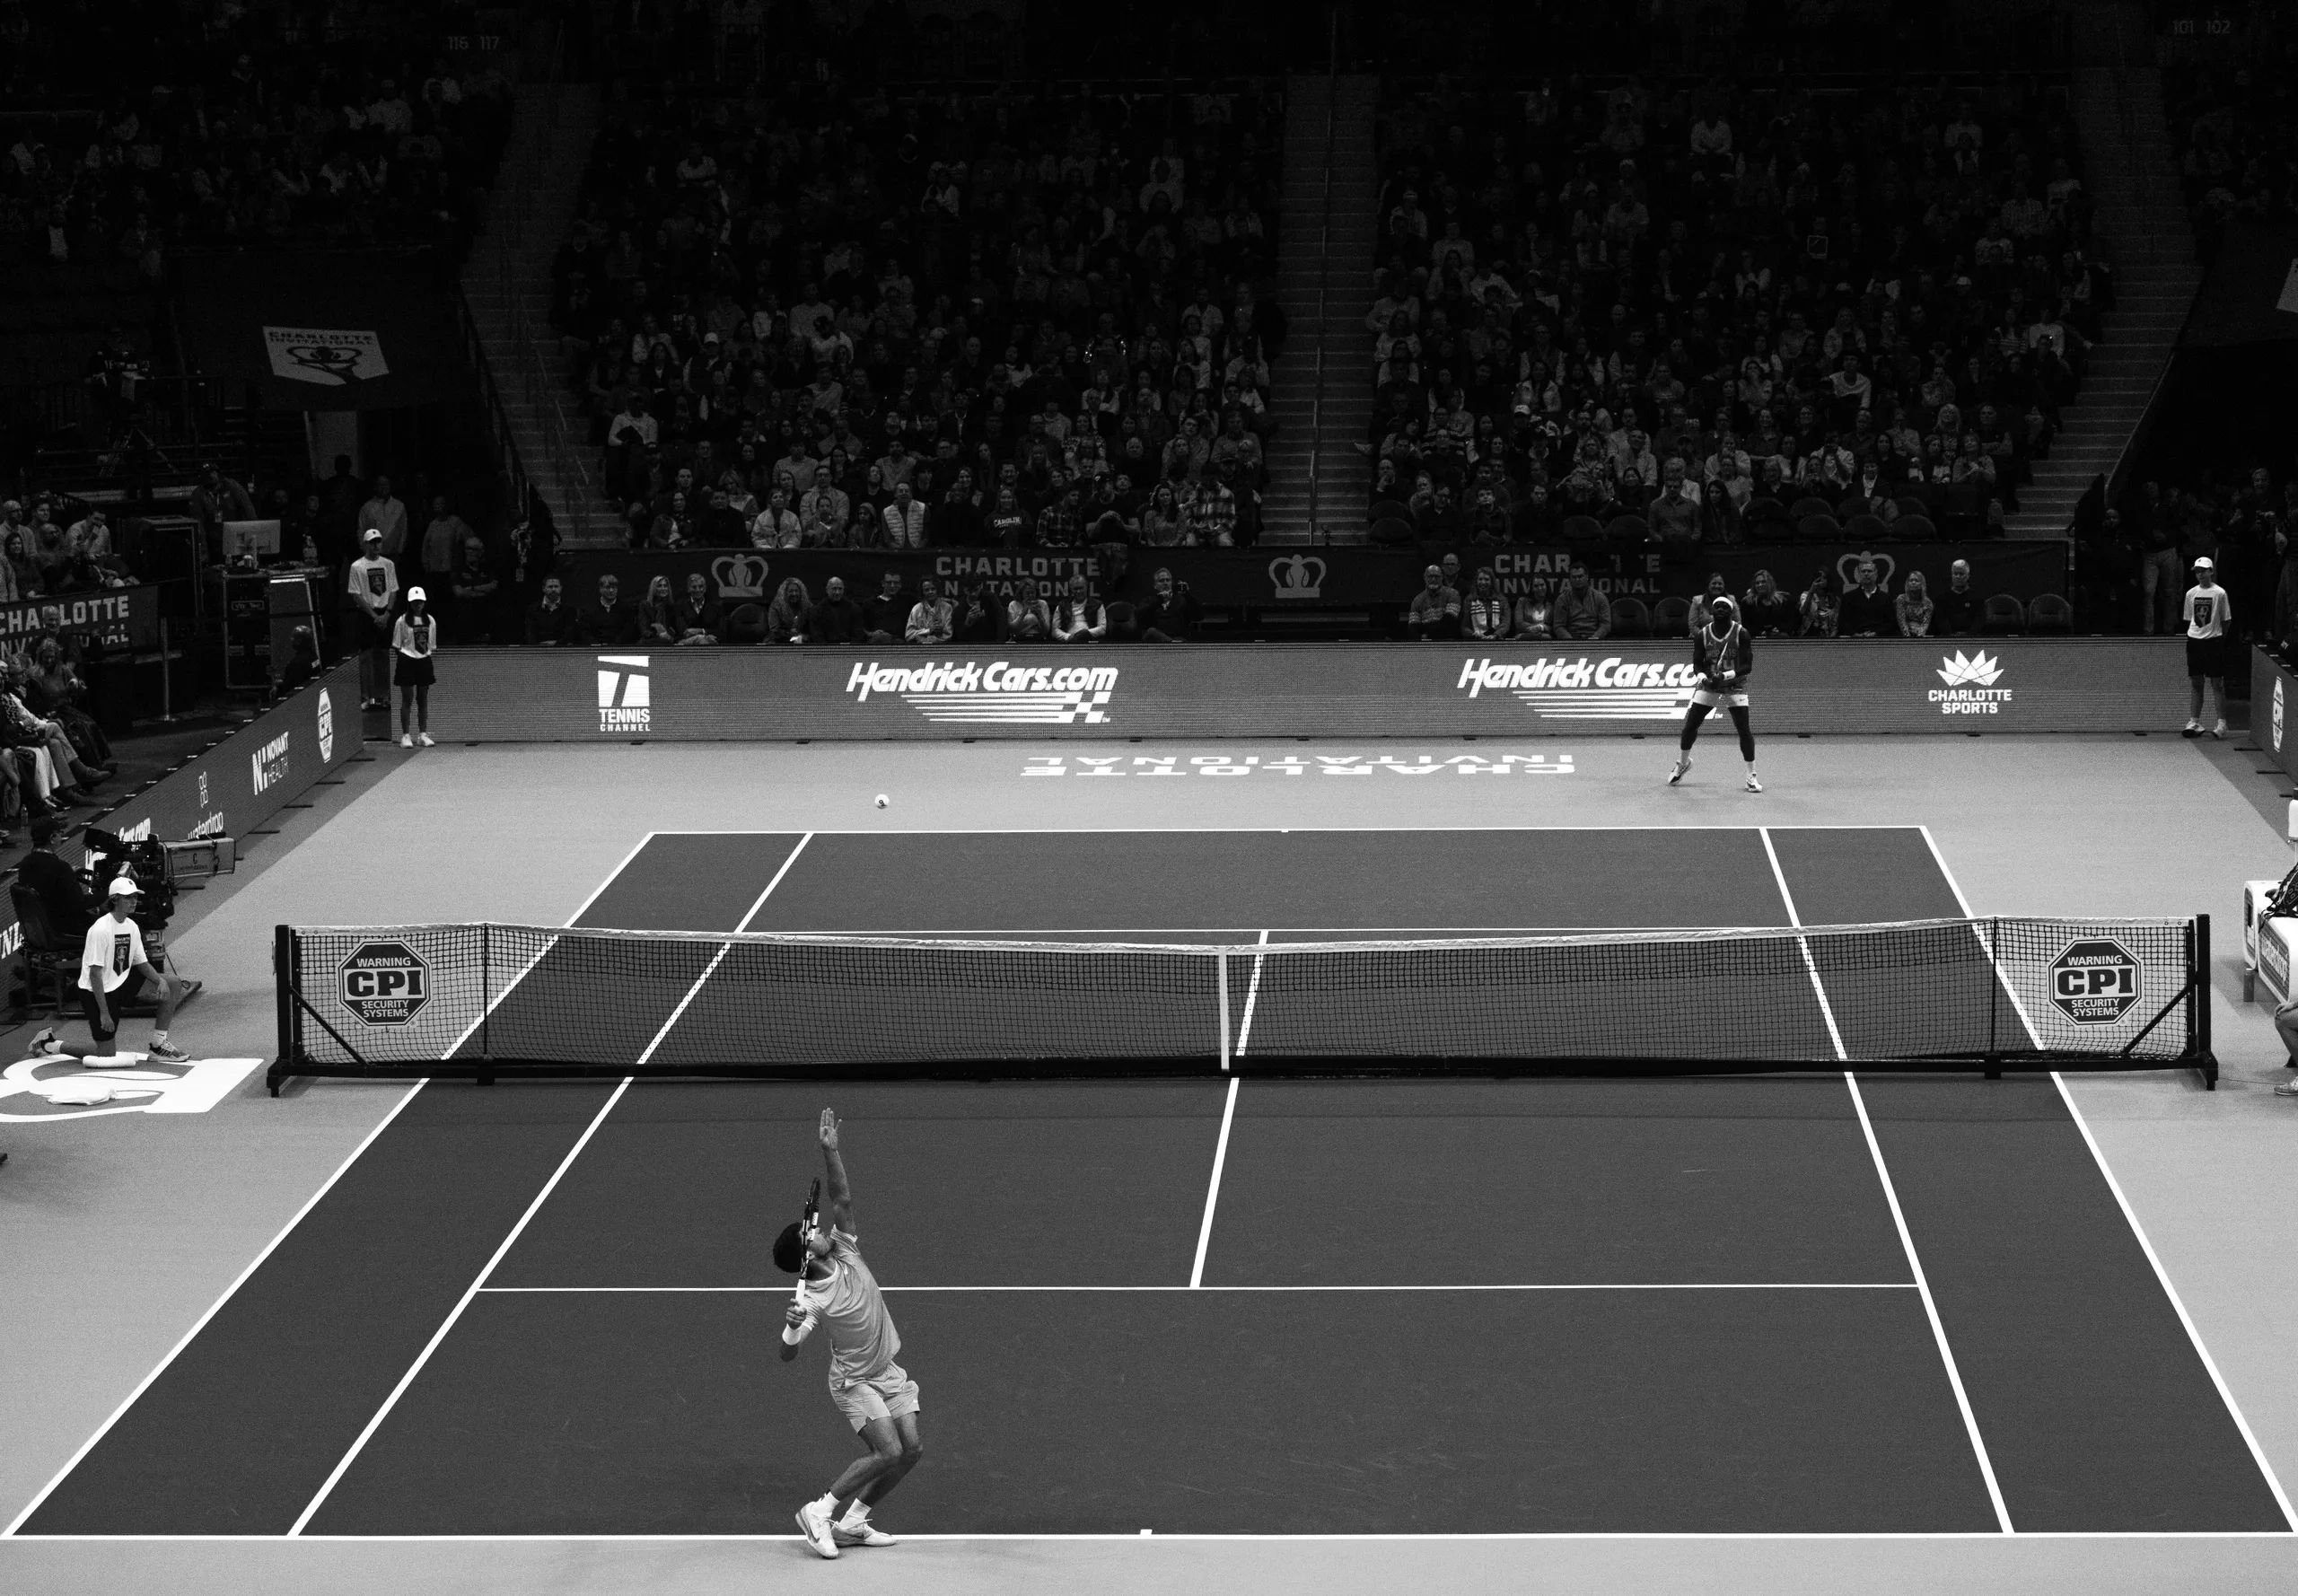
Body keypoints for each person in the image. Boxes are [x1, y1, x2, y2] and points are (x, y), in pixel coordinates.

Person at [781, 1110, 917, 1558]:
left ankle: (853, 1522)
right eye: (810, 1232)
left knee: (910, 1451)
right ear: (805, 1255)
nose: (818, 1229)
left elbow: (842, 1199)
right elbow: (788, 1354)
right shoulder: (813, 1300)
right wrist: (790, 1326)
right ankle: (818, 1512)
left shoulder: (844, 1247)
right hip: (854, 1380)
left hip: (886, 1369)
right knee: (887, 1451)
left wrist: (831, 1150)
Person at [27, 876, 189, 1063]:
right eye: (128, 898)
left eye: (135, 897)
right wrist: (104, 1013)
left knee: (172, 982)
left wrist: (159, 981)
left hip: (121, 981)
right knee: (105, 1053)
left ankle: (159, 1045)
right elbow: (95, 974)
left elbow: (141, 964)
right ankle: (49, 1044)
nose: (134, 901)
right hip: (96, 992)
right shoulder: (100, 929)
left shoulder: (132, 927)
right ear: (115, 900)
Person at [1668, 595, 1760, 793]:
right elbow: (1697, 664)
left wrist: (1726, 676)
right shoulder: (1702, 634)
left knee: (1743, 729)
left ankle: (1751, 776)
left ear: (1730, 611)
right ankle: (1683, 763)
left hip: (1735, 684)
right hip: (1709, 683)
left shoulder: (1741, 633)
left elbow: (1747, 666)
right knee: (1691, 724)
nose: (1720, 609)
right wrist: (1704, 679)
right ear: (1712, 611)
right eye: (1716, 607)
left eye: (1724, 607)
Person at [346, 529, 399, 709]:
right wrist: (374, 616)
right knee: (366, 656)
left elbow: (393, 590)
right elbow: (356, 595)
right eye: (373, 542)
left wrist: (387, 614)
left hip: (385, 612)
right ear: (365, 544)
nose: (377, 545)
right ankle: (366, 697)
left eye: (379, 542)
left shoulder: (388, 564)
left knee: (385, 655)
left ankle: (385, 695)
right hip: (367, 613)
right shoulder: (357, 566)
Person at [2184, 556, 2231, 739]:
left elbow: (2226, 620)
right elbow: (2190, 619)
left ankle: (2221, 723)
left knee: (2217, 683)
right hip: (2194, 641)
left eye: (2203, 570)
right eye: (2197, 571)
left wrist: (2217, 637)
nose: (2200, 574)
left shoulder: (2220, 593)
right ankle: (2194, 721)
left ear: (2211, 571)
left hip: (2214, 642)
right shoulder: (2191, 594)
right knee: (2196, 682)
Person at [392, 588, 439, 748]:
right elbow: (397, 645)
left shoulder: (430, 620)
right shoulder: (402, 621)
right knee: (407, 699)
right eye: (415, 602)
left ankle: (422, 735)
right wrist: (406, 660)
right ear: (410, 603)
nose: (418, 604)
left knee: (423, 699)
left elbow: (431, 644)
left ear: (424, 602)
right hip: (406, 660)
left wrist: (422, 658)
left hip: (424, 660)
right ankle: (405, 736)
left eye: (420, 602)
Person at [1406, 565, 1461, 640]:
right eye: (1430, 576)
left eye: (1437, 576)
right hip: (1424, 644)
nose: (1433, 579)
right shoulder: (1417, 600)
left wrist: (1427, 635)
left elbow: (1449, 621)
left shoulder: (1453, 594)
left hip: (1447, 641)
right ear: (1425, 578)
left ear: (1442, 577)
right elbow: (1413, 626)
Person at [1051, 574, 1106, 643]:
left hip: (1090, 641)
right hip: (1069, 642)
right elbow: (1055, 630)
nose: (1079, 591)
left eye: (1081, 588)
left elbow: (1102, 629)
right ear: (1071, 589)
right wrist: (1067, 637)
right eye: (1076, 589)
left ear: (1086, 587)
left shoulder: (1097, 604)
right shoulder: (1062, 605)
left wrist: (1084, 634)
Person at [524, 575, 576, 645]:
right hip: (538, 649)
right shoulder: (533, 609)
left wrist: (556, 643)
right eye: (550, 587)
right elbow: (530, 633)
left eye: (556, 586)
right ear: (543, 589)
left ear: (561, 588)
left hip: (562, 649)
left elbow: (570, 633)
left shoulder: (569, 609)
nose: (553, 589)